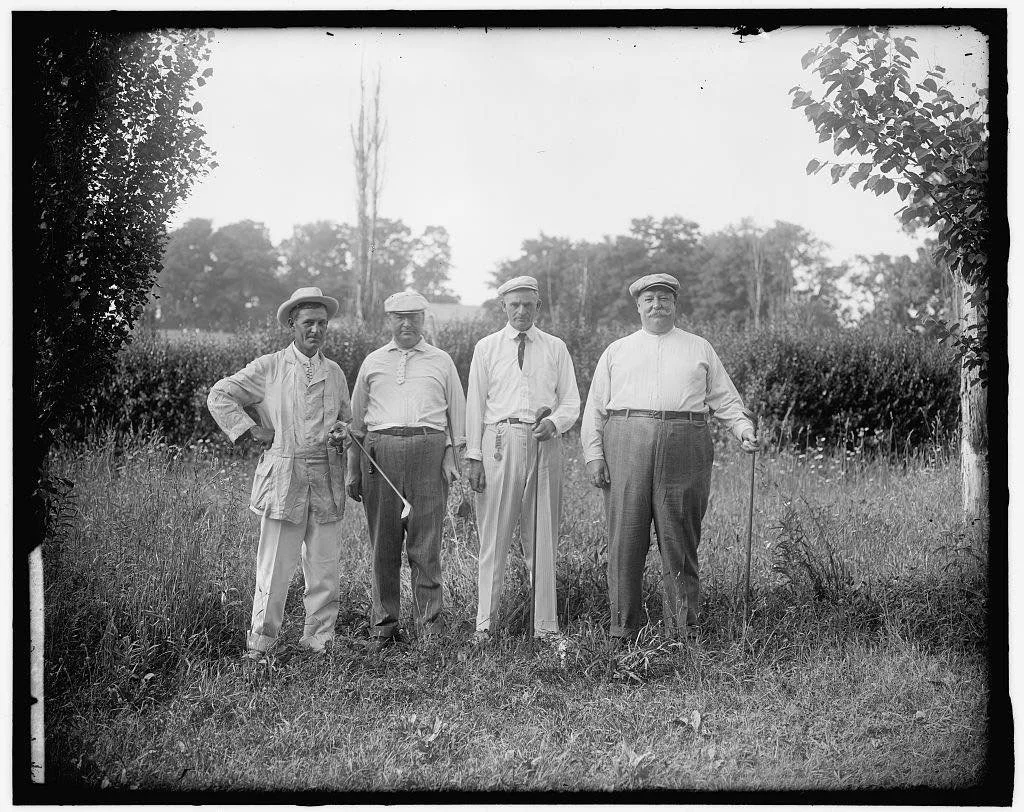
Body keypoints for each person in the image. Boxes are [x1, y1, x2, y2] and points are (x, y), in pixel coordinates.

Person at [580, 273, 758, 646]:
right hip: (627, 440)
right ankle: (623, 629)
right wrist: (594, 454)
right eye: (649, 299)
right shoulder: (618, 350)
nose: (657, 305)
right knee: (625, 540)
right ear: (638, 306)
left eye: (664, 298)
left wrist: (743, 429)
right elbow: (595, 407)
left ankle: (682, 631)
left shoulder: (699, 348)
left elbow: (725, 399)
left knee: (679, 539)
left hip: (685, 442)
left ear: (675, 305)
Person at [207, 286, 351, 660]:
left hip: (326, 479)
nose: (315, 330)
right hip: (283, 478)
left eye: (322, 323)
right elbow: (220, 395)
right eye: (308, 323)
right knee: (273, 571)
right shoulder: (269, 367)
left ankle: (320, 643)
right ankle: (261, 645)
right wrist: (250, 429)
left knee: (324, 570)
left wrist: (342, 433)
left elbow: (346, 421)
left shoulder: (334, 373)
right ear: (292, 324)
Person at [346, 291, 466, 651]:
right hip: (380, 455)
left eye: (413, 316)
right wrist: (354, 471)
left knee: (425, 545)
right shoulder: (373, 362)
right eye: (399, 317)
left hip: (428, 452)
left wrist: (450, 456)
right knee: (383, 545)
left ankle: (430, 628)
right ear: (389, 321)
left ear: (424, 319)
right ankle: (384, 627)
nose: (406, 324)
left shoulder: (441, 361)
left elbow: (456, 419)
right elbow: (355, 423)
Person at [465, 276, 581, 642]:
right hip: (500, 440)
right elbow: (475, 404)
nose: (521, 311)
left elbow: (571, 401)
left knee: (543, 537)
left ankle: (545, 628)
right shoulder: (487, 348)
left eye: (528, 305)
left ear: (538, 306)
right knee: (493, 537)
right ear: (503, 306)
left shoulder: (555, 347)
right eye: (514, 305)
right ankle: (485, 625)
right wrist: (473, 456)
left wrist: (554, 422)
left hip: (544, 441)